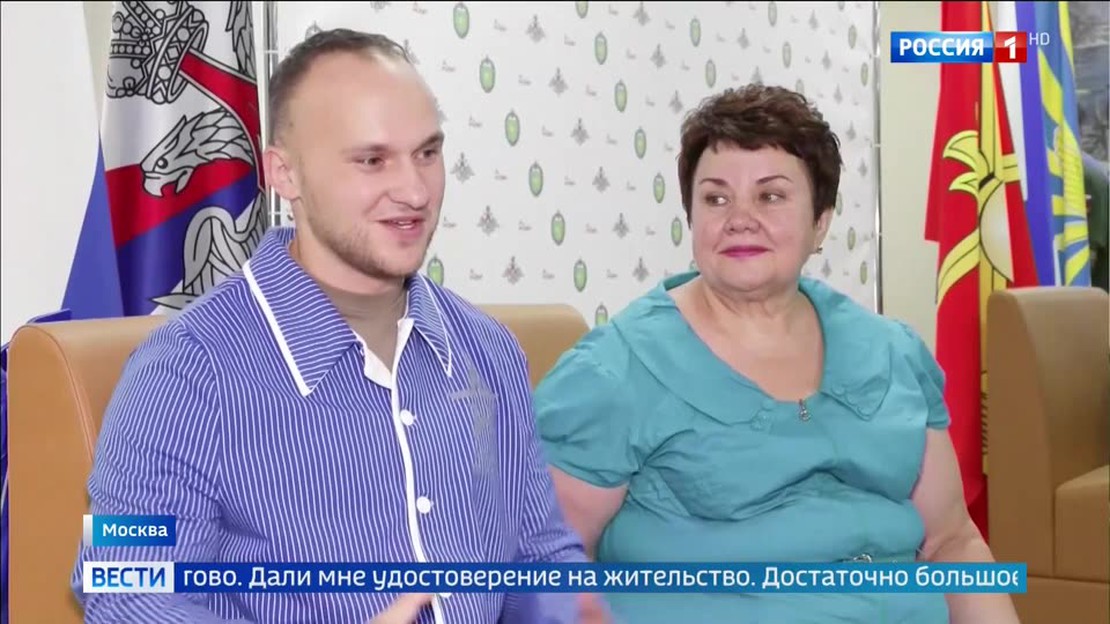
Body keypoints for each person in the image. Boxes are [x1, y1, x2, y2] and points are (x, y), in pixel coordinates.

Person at [71, 29, 606, 624]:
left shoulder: (489, 351)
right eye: (372, 160)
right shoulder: (183, 371)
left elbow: (538, 555)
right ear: (285, 173)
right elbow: (125, 592)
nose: (414, 191)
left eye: (427, 153)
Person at [533, 85, 1022, 624]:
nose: (740, 218)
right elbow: (548, 571)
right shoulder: (613, 373)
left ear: (821, 221)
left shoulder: (891, 352)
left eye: (770, 196)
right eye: (716, 198)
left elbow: (953, 543)